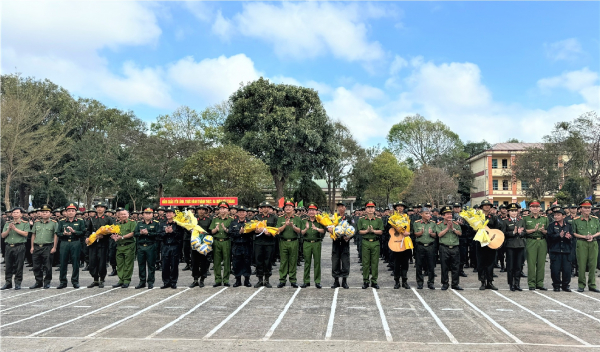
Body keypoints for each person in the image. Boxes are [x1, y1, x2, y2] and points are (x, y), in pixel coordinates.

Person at [518, 200, 549, 290]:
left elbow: (548, 231)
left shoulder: (545, 218)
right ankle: (531, 283)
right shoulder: (525, 218)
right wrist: (533, 230)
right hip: (531, 241)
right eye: (533, 207)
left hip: (542, 241)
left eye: (537, 207)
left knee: (541, 264)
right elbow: (523, 231)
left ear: (540, 208)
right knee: (531, 264)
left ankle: (540, 283)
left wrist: (543, 231)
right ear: (530, 208)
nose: (535, 208)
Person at [572, 199, 600, 293]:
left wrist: (592, 236)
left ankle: (592, 284)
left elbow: (599, 231)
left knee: (593, 265)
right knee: (582, 264)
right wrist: (584, 236)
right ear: (581, 209)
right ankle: (581, 285)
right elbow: (574, 233)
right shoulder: (576, 220)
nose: (587, 209)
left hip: (593, 243)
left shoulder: (595, 219)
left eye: (589, 208)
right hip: (581, 243)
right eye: (585, 208)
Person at [56, 203, 86, 289]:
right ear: (66, 212)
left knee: (75, 262)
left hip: (75, 242)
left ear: (75, 212)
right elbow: (58, 233)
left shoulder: (80, 221)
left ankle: (75, 281)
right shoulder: (61, 222)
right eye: (69, 211)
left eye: (73, 211)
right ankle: (62, 281)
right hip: (64, 243)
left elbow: (83, 232)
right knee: (63, 262)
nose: (70, 212)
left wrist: (74, 232)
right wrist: (63, 233)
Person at [85, 202, 114, 288]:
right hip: (93, 243)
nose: (99, 209)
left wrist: (103, 236)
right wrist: (87, 238)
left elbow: (112, 231)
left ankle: (101, 279)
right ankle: (95, 279)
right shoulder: (92, 219)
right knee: (93, 261)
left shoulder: (108, 219)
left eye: (101, 207)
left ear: (105, 209)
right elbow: (88, 230)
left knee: (102, 262)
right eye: (98, 207)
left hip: (103, 244)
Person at [1, 208, 30, 290]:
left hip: (19, 246)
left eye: (17, 212)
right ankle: (8, 282)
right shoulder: (7, 224)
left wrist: (15, 229)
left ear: (21, 214)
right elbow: (3, 235)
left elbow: (25, 234)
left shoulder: (25, 223)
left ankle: (17, 282)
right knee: (8, 265)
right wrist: (9, 229)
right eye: (13, 212)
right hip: (9, 246)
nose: (15, 214)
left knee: (19, 265)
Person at [29, 205, 58, 289]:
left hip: (47, 246)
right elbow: (33, 235)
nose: (44, 214)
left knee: (47, 266)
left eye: (46, 212)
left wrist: (54, 247)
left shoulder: (54, 223)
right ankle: (38, 281)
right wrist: (32, 247)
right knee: (36, 266)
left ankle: (47, 282)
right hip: (37, 246)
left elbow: (56, 235)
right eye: (43, 212)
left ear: (50, 214)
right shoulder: (37, 223)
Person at [357, 200, 384, 289]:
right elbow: (360, 231)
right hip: (365, 242)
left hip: (375, 242)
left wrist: (373, 231)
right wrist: (367, 231)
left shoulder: (378, 220)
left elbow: (381, 231)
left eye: (372, 207)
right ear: (365, 209)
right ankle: (365, 281)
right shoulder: (361, 220)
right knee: (365, 263)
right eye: (368, 207)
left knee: (375, 263)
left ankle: (374, 281)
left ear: (374, 209)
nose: (370, 209)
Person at [276, 198, 303, 288]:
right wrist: (285, 225)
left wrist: (293, 226)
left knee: (293, 261)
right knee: (283, 261)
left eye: (289, 207)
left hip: (294, 242)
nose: (287, 208)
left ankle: (293, 280)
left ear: (293, 208)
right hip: (283, 242)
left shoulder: (298, 219)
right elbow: (277, 230)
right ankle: (282, 280)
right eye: (286, 207)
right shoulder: (280, 219)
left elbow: (300, 231)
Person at [547, 208, 574, 292]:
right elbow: (549, 237)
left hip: (566, 250)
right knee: (555, 269)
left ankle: (565, 285)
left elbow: (572, 236)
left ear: (564, 216)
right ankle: (556, 285)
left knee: (567, 270)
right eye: (555, 215)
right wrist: (558, 235)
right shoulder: (551, 225)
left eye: (558, 215)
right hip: (555, 250)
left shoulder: (568, 226)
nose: (556, 216)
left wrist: (569, 237)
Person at [437, 206, 463, 290]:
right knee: (444, 267)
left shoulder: (456, 224)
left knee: (456, 267)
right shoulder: (440, 224)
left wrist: (453, 228)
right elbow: (439, 235)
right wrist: (447, 228)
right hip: (444, 248)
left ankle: (455, 284)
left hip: (455, 248)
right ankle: (445, 284)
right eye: (447, 214)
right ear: (443, 216)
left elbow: (460, 233)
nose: (449, 216)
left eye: (450, 214)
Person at [300, 203, 325, 289]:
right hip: (306, 243)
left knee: (317, 262)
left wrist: (316, 228)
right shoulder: (304, 220)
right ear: (307, 212)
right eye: (310, 210)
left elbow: (323, 231)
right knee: (307, 262)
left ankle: (317, 281)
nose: (312, 212)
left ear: (316, 211)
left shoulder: (320, 220)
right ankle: (306, 281)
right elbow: (301, 233)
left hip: (316, 243)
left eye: (313, 210)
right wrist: (306, 228)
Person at [111, 208, 137, 289]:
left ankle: (126, 280)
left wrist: (122, 237)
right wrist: (114, 237)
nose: (123, 216)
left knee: (128, 265)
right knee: (119, 264)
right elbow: (115, 233)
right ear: (119, 215)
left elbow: (132, 233)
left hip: (129, 246)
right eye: (121, 214)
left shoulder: (132, 223)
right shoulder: (117, 224)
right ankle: (121, 280)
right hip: (119, 247)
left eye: (125, 214)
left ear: (128, 215)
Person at [501, 203, 525, 291]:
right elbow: (503, 233)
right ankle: (511, 284)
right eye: (512, 211)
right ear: (508, 212)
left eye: (515, 211)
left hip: (520, 245)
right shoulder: (505, 221)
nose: (514, 213)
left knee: (519, 266)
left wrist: (520, 233)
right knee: (510, 266)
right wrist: (513, 233)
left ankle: (517, 284)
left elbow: (524, 232)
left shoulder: (521, 221)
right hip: (510, 246)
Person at [134, 208, 160, 289]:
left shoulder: (156, 224)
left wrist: (148, 233)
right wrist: (141, 233)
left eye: (149, 213)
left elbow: (158, 234)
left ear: (152, 215)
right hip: (141, 246)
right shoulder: (139, 224)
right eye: (146, 213)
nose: (148, 215)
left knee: (151, 265)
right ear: (143, 215)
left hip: (151, 246)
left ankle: (150, 282)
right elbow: (135, 233)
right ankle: (142, 281)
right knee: (141, 265)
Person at [253, 201, 277, 288]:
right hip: (259, 242)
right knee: (259, 261)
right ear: (261, 209)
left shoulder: (274, 218)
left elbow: (276, 229)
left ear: (270, 208)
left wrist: (270, 233)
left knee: (268, 261)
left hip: (269, 243)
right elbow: (251, 230)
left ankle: (267, 280)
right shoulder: (256, 217)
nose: (265, 208)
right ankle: (260, 280)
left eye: (267, 207)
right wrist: (256, 231)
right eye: (264, 207)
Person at [477, 200, 500, 290]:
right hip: (480, 242)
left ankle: (490, 282)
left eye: (488, 205)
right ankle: (482, 282)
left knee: (490, 262)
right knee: (481, 263)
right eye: (485, 205)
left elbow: (497, 229)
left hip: (491, 242)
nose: (487, 207)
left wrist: (493, 237)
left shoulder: (493, 218)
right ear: (481, 207)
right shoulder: (477, 218)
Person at [413, 207, 437, 290]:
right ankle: (420, 282)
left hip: (430, 246)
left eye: (429, 213)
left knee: (431, 265)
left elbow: (436, 235)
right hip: (420, 246)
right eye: (426, 213)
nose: (428, 215)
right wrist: (421, 232)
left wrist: (432, 234)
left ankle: (431, 282)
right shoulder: (417, 223)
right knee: (419, 265)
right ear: (421, 214)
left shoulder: (433, 223)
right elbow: (415, 234)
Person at [209, 201, 233, 287]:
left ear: (228, 210)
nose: (222, 210)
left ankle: (226, 280)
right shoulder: (215, 219)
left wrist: (224, 228)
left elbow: (231, 232)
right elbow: (211, 231)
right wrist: (216, 229)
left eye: (224, 208)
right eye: (220, 208)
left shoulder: (231, 220)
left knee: (227, 261)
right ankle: (218, 279)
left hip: (226, 241)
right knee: (216, 261)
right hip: (216, 241)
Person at [160, 206, 184, 289]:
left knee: (174, 265)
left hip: (175, 246)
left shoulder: (178, 224)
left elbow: (181, 236)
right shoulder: (163, 223)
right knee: (165, 265)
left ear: (174, 214)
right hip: (165, 246)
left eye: (170, 212)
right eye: (167, 212)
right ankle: (166, 282)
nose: (168, 214)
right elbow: (159, 235)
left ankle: (173, 282)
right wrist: (166, 232)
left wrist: (173, 232)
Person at [229, 206, 253, 287]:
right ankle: (238, 280)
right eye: (240, 212)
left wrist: (245, 232)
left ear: (246, 213)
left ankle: (247, 280)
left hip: (246, 245)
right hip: (237, 246)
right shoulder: (233, 223)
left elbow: (252, 234)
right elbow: (230, 234)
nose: (241, 213)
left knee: (247, 263)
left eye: (243, 212)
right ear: (237, 213)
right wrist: (239, 232)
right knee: (236, 263)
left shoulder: (249, 223)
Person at [389, 201, 411, 290]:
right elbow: (388, 229)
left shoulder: (407, 218)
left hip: (405, 242)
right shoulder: (392, 218)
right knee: (397, 263)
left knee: (405, 263)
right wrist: (397, 228)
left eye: (401, 206)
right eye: (398, 206)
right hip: (396, 242)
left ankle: (405, 281)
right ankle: (397, 281)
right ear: (395, 208)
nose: (400, 208)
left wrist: (407, 233)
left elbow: (411, 229)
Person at [331, 202, 353, 289]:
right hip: (336, 242)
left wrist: (349, 237)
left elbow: (354, 228)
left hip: (345, 243)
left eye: (342, 206)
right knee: (335, 262)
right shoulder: (334, 217)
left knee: (345, 262)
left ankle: (344, 281)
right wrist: (330, 230)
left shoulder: (349, 218)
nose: (340, 208)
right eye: (339, 207)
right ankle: (336, 281)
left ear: (345, 208)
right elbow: (328, 226)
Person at [189, 205, 212, 288]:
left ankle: (202, 279)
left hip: (204, 245)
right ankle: (195, 280)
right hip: (195, 244)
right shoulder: (193, 220)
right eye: (199, 209)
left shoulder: (209, 220)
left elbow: (210, 231)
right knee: (194, 262)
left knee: (204, 263)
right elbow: (187, 229)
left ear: (206, 211)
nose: (201, 211)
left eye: (203, 210)